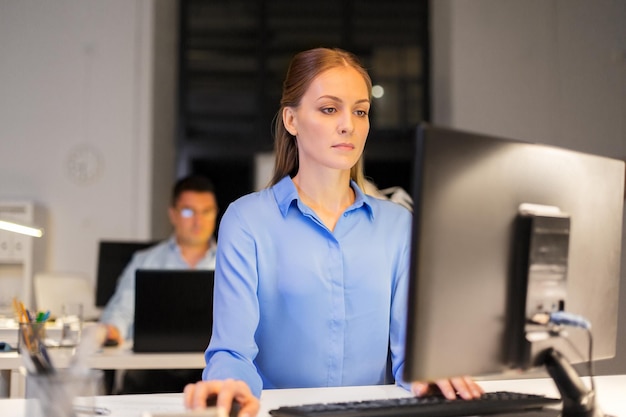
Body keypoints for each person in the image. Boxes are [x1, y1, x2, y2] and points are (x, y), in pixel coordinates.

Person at [183, 48, 483, 416]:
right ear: (291, 119)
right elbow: (232, 351)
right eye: (329, 109)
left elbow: (412, 357)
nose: (349, 125)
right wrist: (230, 386)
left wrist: (431, 376)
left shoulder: (398, 226)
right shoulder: (247, 220)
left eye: (360, 111)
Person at [99, 174, 219, 393]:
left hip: (210, 370)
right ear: (172, 214)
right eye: (188, 211)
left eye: (206, 211)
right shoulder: (145, 260)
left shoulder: (232, 262)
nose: (198, 221)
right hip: (151, 373)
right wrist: (112, 329)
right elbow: (121, 311)